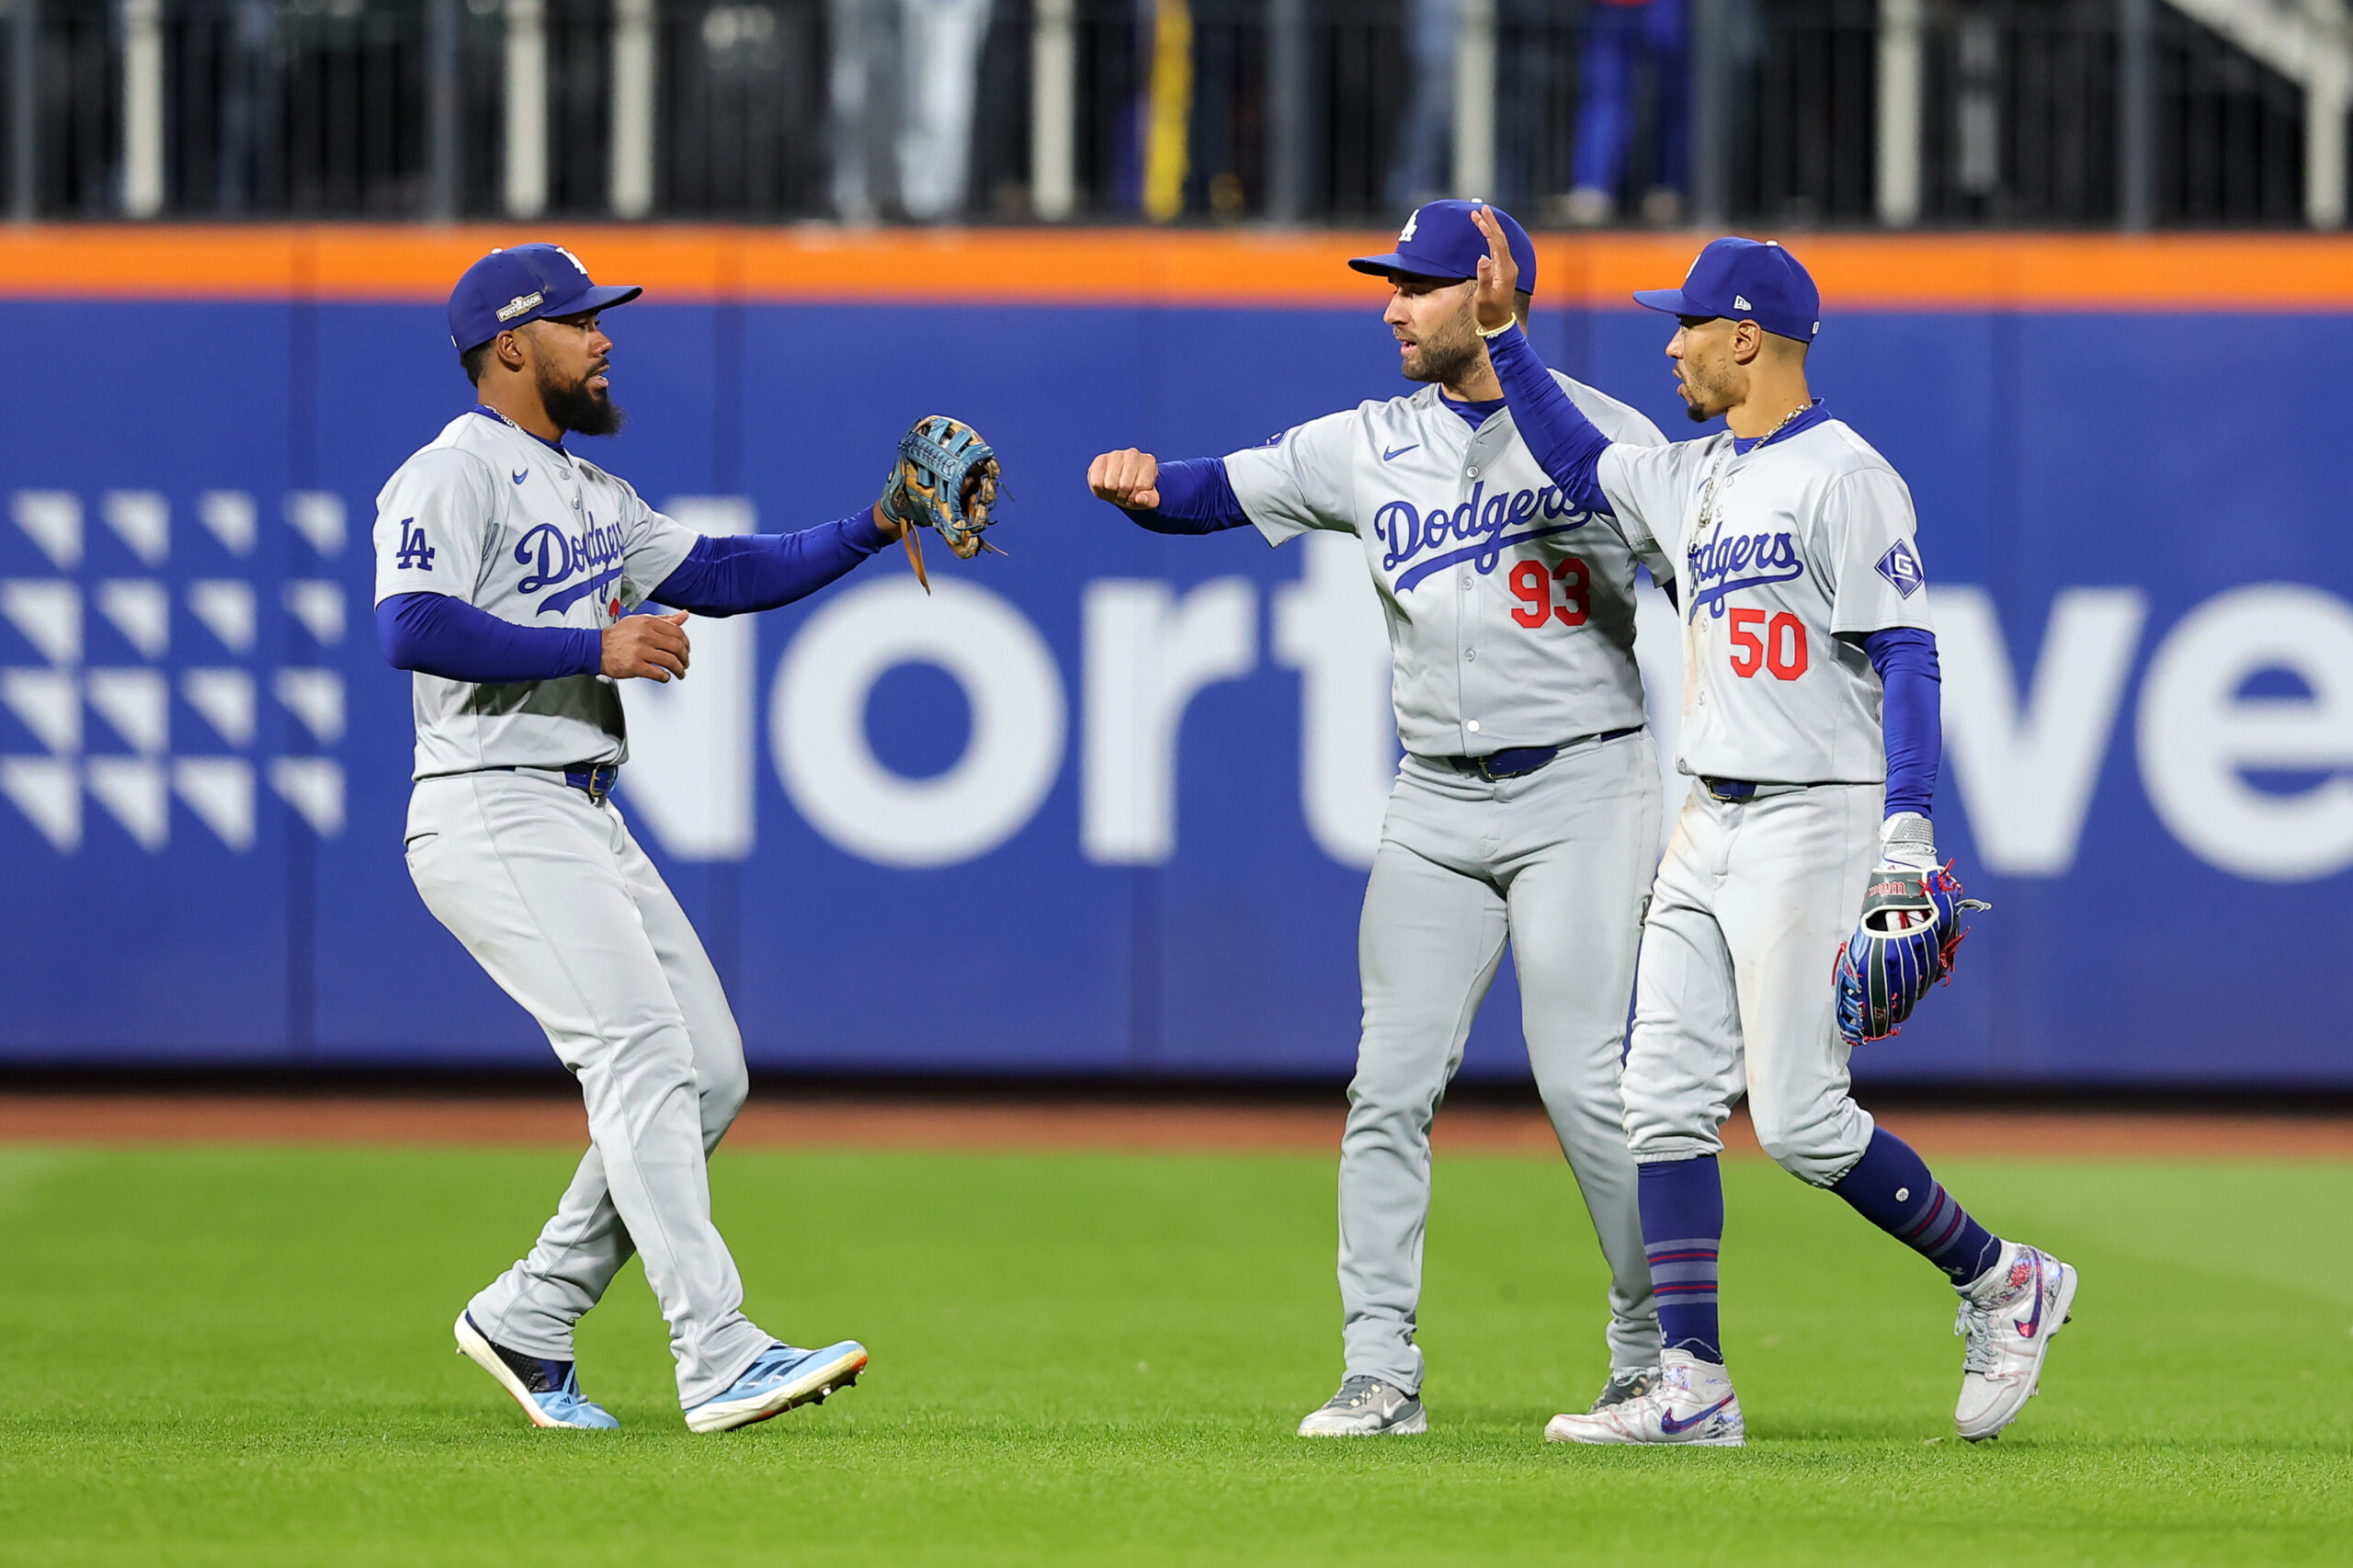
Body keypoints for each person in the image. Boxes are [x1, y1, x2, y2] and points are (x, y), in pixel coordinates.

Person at [1455, 205, 2077, 1446]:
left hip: (1815, 818)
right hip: (1708, 816)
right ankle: (1693, 1382)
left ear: (1747, 338)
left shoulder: (1845, 474)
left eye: (1686, 326)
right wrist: (1508, 338)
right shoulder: (1701, 472)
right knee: (1661, 1098)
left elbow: (1907, 654)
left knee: (1798, 1120)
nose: (1669, 347)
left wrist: (1908, 828)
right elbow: (1585, 462)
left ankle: (2003, 1274)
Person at [1086, 199, 1673, 1437]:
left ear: (1491, 288)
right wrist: (1146, 489)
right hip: (1435, 800)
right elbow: (1220, 488)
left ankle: (1655, 1351)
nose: (1392, 304)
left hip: (1583, 783)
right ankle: (1379, 1369)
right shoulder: (1368, 441)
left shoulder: (1599, 436)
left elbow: (1694, 565)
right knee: (1387, 1086)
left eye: (1418, 283)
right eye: (1389, 282)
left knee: (1584, 1087)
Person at [373, 243, 902, 1433]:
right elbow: (410, 625)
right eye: (579, 320)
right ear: (513, 346)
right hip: (488, 797)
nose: (605, 337)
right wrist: (592, 646)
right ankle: (715, 1349)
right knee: (642, 1060)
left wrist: (875, 521)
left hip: (579, 805)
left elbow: (720, 569)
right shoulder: (451, 473)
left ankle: (531, 1310)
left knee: (709, 1068)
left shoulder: (590, 492)